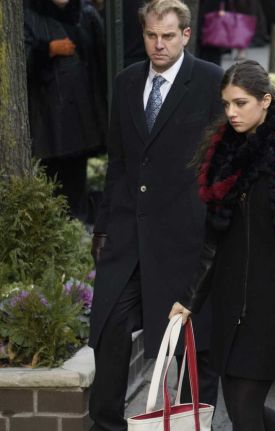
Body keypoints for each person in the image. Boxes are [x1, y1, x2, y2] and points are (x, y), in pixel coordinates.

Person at [88, 0, 223, 429]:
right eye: (150, 35)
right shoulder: (127, 82)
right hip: (128, 235)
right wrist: (105, 226)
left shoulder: (210, 82)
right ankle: (107, 422)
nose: (158, 44)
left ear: (186, 34)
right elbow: (120, 161)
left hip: (183, 237)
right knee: (108, 329)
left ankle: (187, 424)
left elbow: (221, 164)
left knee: (185, 343)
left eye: (167, 36)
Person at [167, 60, 275, 431]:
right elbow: (212, 239)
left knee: (245, 405)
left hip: (274, 303)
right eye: (226, 104)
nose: (231, 113)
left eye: (241, 103)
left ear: (265, 100)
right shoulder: (224, 154)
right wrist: (190, 299)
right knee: (239, 409)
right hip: (231, 302)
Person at [24, 0, 107, 222]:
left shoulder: (85, 15)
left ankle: (75, 226)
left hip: (80, 116)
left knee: (75, 180)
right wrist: (48, 49)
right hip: (46, 119)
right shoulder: (29, 15)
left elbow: (100, 60)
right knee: (50, 181)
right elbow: (21, 62)